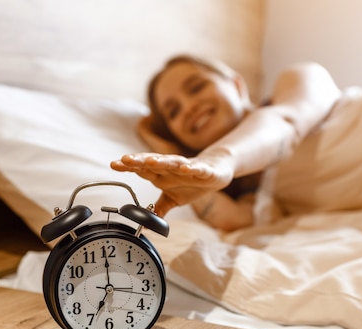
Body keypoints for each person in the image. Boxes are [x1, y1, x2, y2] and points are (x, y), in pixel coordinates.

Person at [110, 55, 341, 231]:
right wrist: (167, 153)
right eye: (173, 112)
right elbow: (233, 220)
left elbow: (287, 124)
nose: (189, 107)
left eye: (197, 87)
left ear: (237, 84)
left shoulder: (298, 78)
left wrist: (221, 159)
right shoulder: (249, 185)